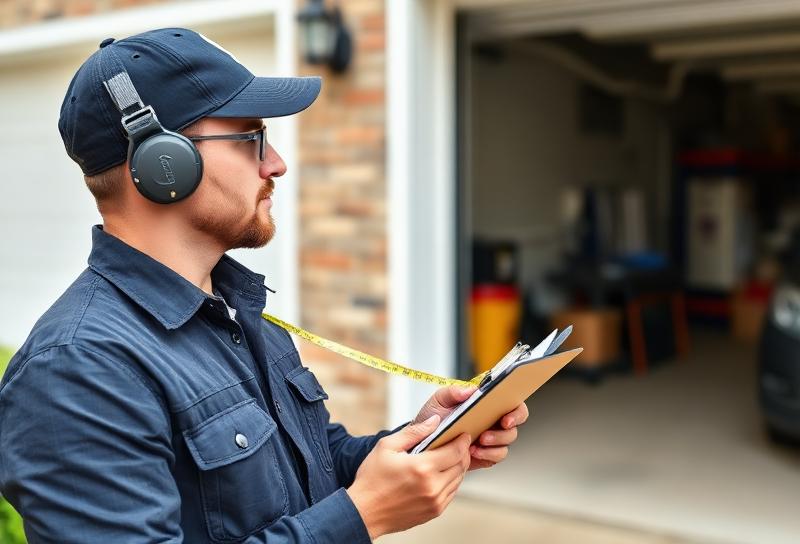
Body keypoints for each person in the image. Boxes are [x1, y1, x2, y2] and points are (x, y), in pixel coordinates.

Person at [0, 27, 528, 543]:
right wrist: (361, 517)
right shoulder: (78, 369)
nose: (276, 164)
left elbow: (312, 463)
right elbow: (343, 513)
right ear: (165, 163)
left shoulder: (233, 308)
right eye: (252, 137)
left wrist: (420, 443)